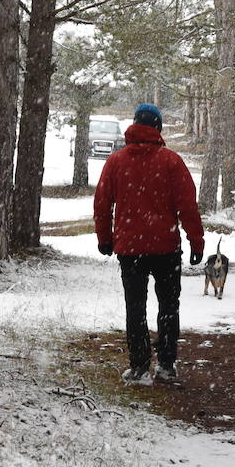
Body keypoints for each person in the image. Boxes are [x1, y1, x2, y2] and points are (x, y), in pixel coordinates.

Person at [94, 103, 204, 385]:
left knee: (136, 307)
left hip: (131, 249)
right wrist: (196, 242)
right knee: (168, 307)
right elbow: (188, 206)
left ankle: (140, 366)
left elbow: (103, 204)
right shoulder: (171, 161)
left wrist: (105, 238)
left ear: (134, 125)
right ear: (158, 128)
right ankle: (166, 365)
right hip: (166, 247)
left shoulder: (116, 162)